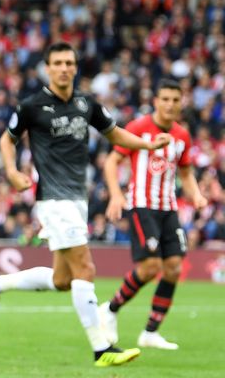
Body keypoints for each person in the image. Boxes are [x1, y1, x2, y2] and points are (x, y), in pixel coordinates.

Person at [0, 42, 171, 367]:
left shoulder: (86, 103)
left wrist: (148, 144)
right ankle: (101, 347)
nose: (65, 67)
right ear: (48, 68)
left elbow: (116, 134)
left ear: (76, 67)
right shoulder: (32, 106)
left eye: (70, 62)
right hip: (54, 199)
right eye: (58, 63)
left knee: (63, 280)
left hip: (77, 198)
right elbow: (6, 140)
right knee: (86, 269)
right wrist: (10, 171)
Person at [99, 79, 208, 350]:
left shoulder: (182, 135)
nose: (170, 104)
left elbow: (185, 171)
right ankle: (110, 310)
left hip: (169, 208)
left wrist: (195, 194)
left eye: (175, 99)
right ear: (156, 101)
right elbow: (113, 161)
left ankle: (150, 332)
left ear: (181, 102)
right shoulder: (138, 128)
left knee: (173, 268)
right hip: (142, 205)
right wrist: (116, 194)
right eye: (165, 99)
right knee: (150, 268)